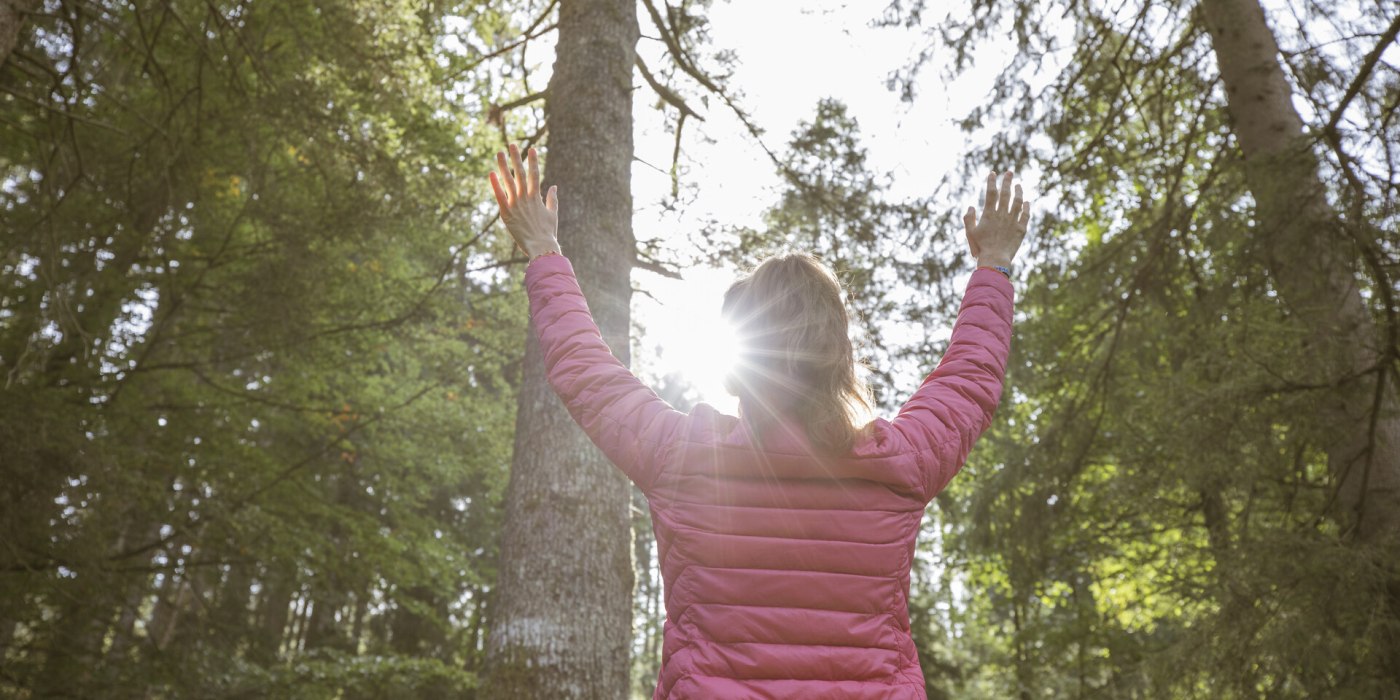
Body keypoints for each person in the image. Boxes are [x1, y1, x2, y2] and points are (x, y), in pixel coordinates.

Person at [489, 143, 1027, 699]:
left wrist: (543, 247)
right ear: (839, 354)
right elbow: (969, 380)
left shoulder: (683, 457)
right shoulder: (900, 462)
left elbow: (585, 371)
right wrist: (995, 264)